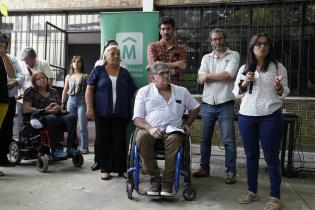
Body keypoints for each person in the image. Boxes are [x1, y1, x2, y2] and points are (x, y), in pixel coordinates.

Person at [233, 33, 289, 210]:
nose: (262, 47)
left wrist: (279, 86)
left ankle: (275, 196)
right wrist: (244, 82)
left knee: (271, 157)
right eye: (258, 44)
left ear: (269, 47)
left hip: (270, 116)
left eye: (265, 44)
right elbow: (236, 93)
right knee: (250, 156)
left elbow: (285, 92)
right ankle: (252, 191)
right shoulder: (244, 67)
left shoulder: (278, 67)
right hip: (247, 116)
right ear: (252, 47)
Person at [133, 61, 200, 196]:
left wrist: (187, 123)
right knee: (140, 137)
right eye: (161, 74)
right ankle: (155, 180)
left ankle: (167, 182)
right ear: (153, 78)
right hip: (150, 130)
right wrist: (149, 128)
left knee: (175, 139)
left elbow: (196, 107)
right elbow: (137, 118)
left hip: (173, 131)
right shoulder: (144, 92)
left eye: (167, 73)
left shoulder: (181, 91)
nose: (165, 76)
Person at [193, 28, 240, 185]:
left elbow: (229, 75)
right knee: (205, 139)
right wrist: (205, 77)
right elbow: (199, 79)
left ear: (224, 39)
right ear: (211, 41)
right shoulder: (206, 58)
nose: (217, 41)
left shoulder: (233, 55)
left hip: (225, 103)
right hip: (207, 104)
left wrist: (207, 76)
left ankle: (231, 171)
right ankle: (204, 168)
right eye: (214, 39)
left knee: (228, 141)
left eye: (220, 38)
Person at [86, 45, 137, 180]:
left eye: (118, 54)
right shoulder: (98, 70)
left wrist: (144, 102)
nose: (116, 56)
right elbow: (89, 90)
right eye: (113, 54)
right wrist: (90, 107)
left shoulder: (124, 72)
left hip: (121, 112)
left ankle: (121, 169)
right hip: (102, 112)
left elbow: (134, 90)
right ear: (106, 56)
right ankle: (105, 168)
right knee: (104, 140)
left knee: (119, 140)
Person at [23, 71, 80, 158]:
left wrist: (58, 108)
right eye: (39, 78)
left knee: (71, 117)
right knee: (51, 117)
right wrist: (44, 110)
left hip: (55, 115)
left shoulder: (54, 91)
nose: (42, 80)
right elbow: (26, 108)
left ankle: (71, 148)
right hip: (39, 118)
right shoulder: (30, 91)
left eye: (44, 78)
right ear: (34, 81)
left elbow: (58, 106)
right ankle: (56, 150)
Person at [90, 39, 119, 171]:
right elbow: (92, 87)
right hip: (101, 106)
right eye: (110, 49)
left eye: (116, 49)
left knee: (115, 138)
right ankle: (98, 161)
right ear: (106, 51)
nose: (114, 54)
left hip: (117, 108)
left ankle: (112, 164)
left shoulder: (123, 66)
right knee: (100, 137)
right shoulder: (99, 65)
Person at [0, 33, 24, 167]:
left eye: (4, 43)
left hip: (8, 97)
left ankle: (3, 157)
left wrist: (14, 83)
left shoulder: (11, 58)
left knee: (7, 129)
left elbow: (19, 75)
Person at [61, 56, 89, 154]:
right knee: (70, 125)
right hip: (70, 101)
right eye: (74, 62)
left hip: (82, 101)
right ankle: (71, 145)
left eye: (78, 62)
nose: (76, 64)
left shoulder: (85, 76)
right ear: (72, 64)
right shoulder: (68, 77)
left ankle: (84, 147)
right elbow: (65, 90)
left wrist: (89, 105)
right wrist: (62, 103)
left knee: (82, 125)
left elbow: (88, 91)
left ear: (81, 64)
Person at [147, 16, 186, 85]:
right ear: (160, 31)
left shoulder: (181, 48)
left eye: (168, 29)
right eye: (163, 29)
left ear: (173, 30)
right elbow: (153, 66)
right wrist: (176, 64)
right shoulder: (152, 47)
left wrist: (158, 67)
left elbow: (180, 71)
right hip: (156, 88)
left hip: (174, 88)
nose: (166, 32)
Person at [0, 32, 16, 176]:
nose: (2, 44)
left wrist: (4, 55)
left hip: (3, 98)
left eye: (3, 42)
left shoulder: (5, 57)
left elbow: (11, 74)